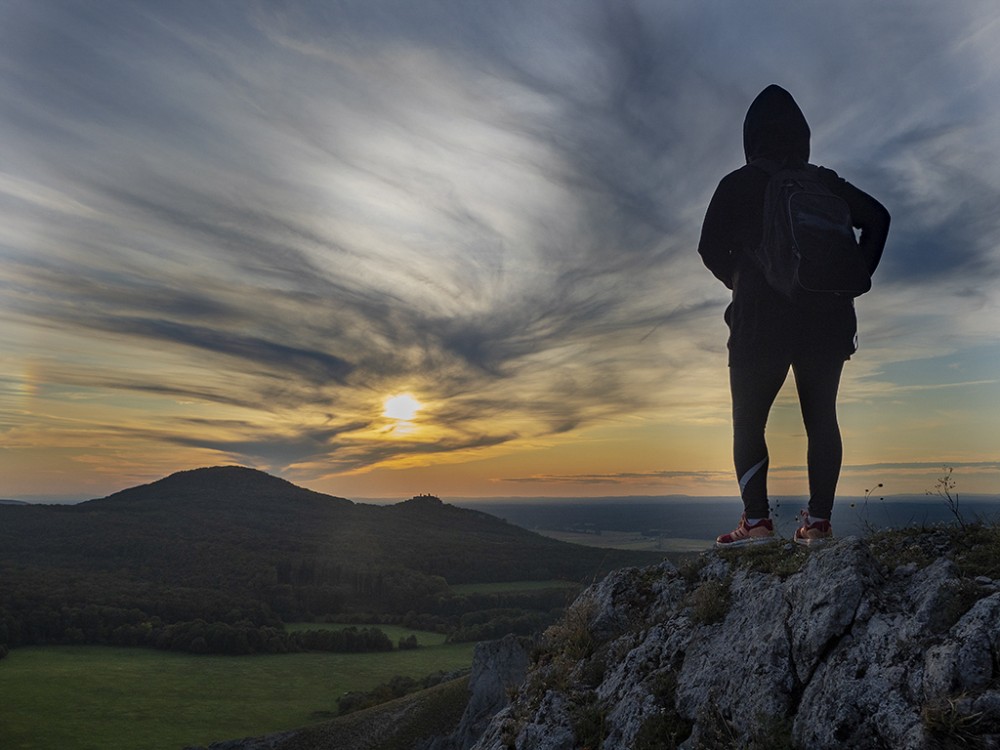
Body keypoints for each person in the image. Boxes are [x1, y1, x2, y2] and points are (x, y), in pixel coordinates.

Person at [698, 84, 890, 547]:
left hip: (759, 321)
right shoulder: (823, 182)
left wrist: (738, 280)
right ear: (802, 136)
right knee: (822, 418)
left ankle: (758, 522)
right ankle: (818, 524)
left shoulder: (737, 184)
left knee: (748, 422)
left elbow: (708, 248)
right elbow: (879, 218)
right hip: (826, 318)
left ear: (751, 137)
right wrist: (853, 278)